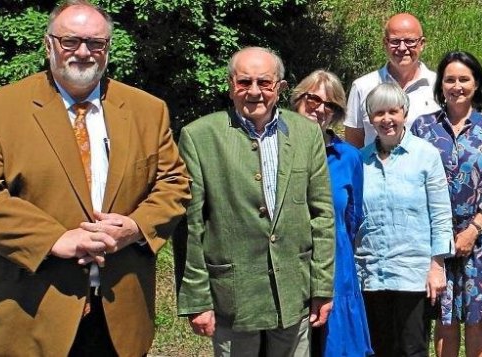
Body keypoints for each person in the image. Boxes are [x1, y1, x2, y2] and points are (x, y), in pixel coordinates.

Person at [0, 1, 191, 355]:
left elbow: (174, 184)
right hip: (32, 312)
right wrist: (55, 239)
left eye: (96, 43)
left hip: (120, 316)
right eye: (70, 41)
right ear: (49, 45)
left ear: (107, 49)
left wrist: (135, 227)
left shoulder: (147, 110)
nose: (84, 52)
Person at [176, 47, 336, 357]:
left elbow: (322, 216)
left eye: (264, 82)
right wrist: (198, 299)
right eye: (244, 82)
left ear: (281, 87)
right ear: (230, 85)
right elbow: (190, 226)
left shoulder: (306, 134)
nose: (254, 92)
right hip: (234, 296)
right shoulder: (199, 136)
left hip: (293, 290)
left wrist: (321, 287)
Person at [410, 51, 482, 357]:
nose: (457, 86)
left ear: (476, 83)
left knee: (477, 317)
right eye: (450, 79)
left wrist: (473, 229)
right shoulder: (422, 128)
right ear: (440, 86)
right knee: (444, 316)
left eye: (464, 79)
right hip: (437, 238)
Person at [356, 82, 454, 357]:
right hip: (370, 273)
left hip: (414, 273)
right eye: (378, 113)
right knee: (378, 349)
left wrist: (437, 265)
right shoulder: (360, 161)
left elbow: (440, 213)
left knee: (412, 348)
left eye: (392, 112)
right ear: (370, 118)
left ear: (404, 113)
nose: (386, 119)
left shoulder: (426, 156)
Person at [290, 69, 374, 357]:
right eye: (313, 100)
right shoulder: (276, 150)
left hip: (337, 265)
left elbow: (352, 218)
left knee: (335, 348)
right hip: (289, 264)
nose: (320, 109)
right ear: (297, 99)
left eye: (331, 105)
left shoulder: (349, 156)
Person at [343, 13, 440, 147]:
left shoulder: (440, 86)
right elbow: (353, 145)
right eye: (395, 41)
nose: (402, 48)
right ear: (385, 43)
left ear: (422, 44)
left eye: (410, 41)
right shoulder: (362, 86)